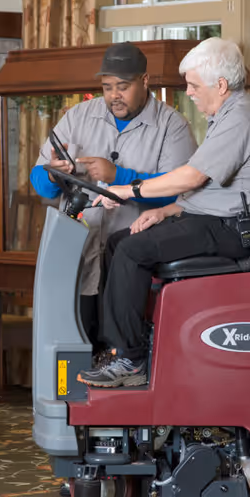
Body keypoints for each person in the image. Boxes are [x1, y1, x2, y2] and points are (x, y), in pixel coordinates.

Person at [76, 37, 250, 388]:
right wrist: (167, 211)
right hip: (213, 219)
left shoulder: (242, 117)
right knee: (118, 242)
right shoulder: (227, 115)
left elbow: (191, 175)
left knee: (130, 250)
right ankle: (122, 349)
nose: (188, 92)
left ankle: (131, 360)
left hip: (231, 229)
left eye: (193, 84)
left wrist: (128, 190)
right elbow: (208, 188)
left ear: (220, 85)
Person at [29, 41, 197, 358]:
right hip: (77, 252)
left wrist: (118, 175)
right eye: (107, 87)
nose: (114, 96)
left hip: (134, 256)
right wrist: (53, 174)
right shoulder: (77, 117)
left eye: (123, 86)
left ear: (145, 81)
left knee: (122, 348)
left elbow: (183, 194)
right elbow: (41, 185)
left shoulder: (172, 126)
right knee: (75, 342)